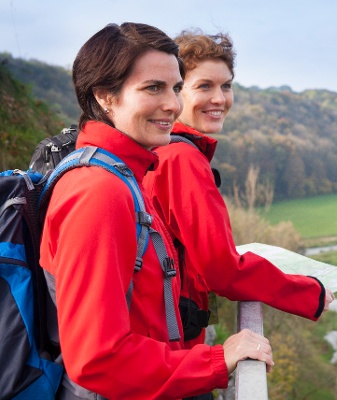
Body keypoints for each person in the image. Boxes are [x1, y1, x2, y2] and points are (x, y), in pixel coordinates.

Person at [39, 22, 272, 400]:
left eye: (176, 87)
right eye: (152, 88)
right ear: (105, 97)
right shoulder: (99, 192)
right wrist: (215, 360)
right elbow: (97, 359)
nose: (172, 104)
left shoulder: (126, 174)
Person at [143, 30, 335, 349]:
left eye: (227, 86)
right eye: (204, 86)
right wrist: (307, 292)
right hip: (174, 350)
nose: (220, 99)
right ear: (174, 92)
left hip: (163, 337)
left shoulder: (158, 149)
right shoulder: (181, 159)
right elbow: (222, 270)